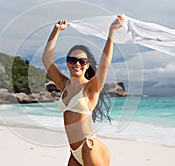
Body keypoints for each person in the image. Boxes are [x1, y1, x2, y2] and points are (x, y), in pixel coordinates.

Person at [42, 15, 124, 166]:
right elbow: (47, 59)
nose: (77, 64)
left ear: (87, 65)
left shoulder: (91, 87)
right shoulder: (64, 85)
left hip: (90, 147)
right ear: (67, 63)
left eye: (82, 61)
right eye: (72, 60)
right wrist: (56, 30)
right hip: (74, 152)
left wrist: (112, 32)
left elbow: (105, 64)